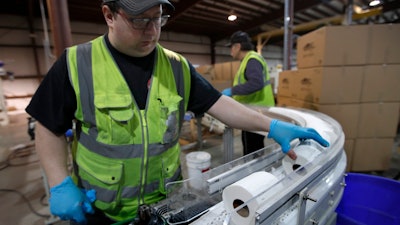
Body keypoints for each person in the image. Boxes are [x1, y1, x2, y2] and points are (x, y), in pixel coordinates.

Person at [25, 0, 329, 224]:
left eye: (158, 19)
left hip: (165, 206)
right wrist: (59, 182)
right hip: (102, 210)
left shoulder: (176, 65)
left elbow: (219, 105)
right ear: (109, 15)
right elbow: (48, 126)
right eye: (140, 20)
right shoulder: (77, 63)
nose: (152, 31)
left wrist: (272, 126)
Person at [222, 31, 275, 156]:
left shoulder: (252, 60)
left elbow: (256, 83)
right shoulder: (249, 60)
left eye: (231, 47)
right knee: (254, 145)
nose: (230, 51)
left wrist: (232, 91)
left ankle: (253, 171)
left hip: (255, 110)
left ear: (238, 46)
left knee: (251, 148)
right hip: (255, 109)